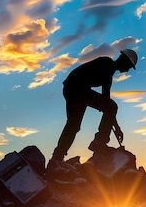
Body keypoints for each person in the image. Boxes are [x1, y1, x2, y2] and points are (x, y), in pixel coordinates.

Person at [47, 49, 138, 177]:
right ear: (124, 61)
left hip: (77, 90)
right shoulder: (106, 64)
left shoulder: (109, 71)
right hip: (76, 89)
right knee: (107, 109)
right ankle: (99, 142)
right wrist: (116, 128)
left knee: (74, 126)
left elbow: (106, 104)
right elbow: (107, 104)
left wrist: (117, 128)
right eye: (129, 66)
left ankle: (57, 158)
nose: (128, 70)